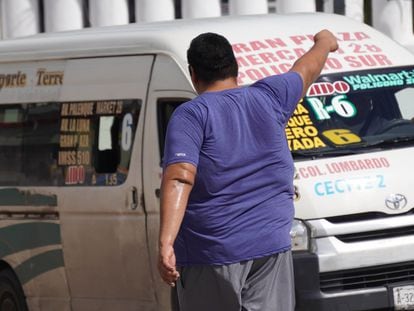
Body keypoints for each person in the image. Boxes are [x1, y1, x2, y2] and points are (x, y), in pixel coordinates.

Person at [158, 30, 338, 311]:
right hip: (271, 245)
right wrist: (325, 42)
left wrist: (166, 242)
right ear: (235, 66)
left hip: (213, 251)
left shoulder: (192, 114)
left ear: (194, 74)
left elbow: (180, 175)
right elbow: (306, 70)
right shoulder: (270, 97)